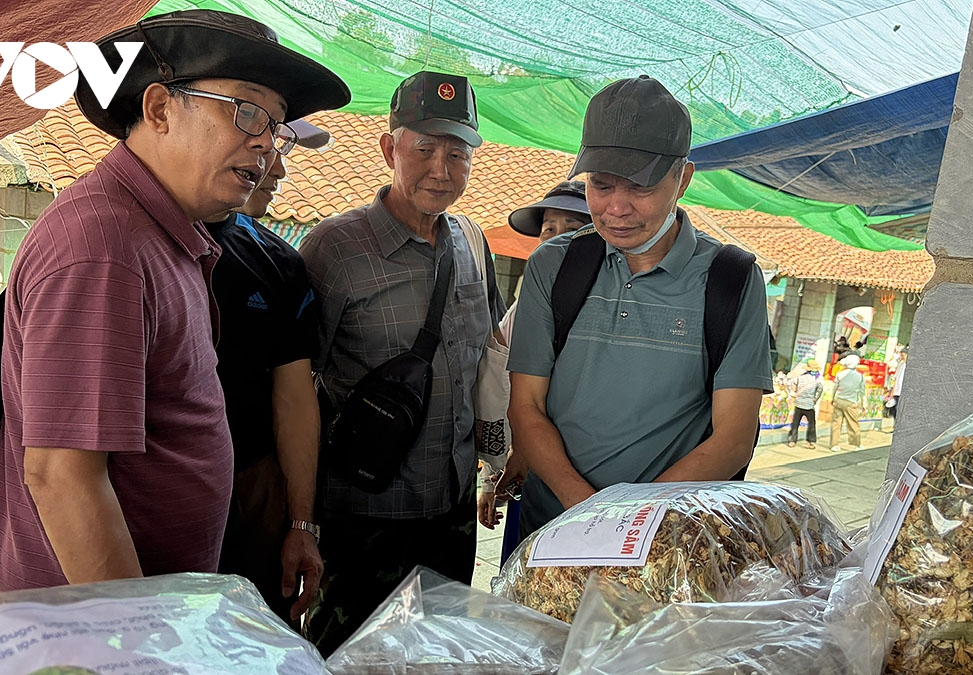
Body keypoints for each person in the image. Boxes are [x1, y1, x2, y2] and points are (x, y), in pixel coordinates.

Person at [0, 9, 350, 592]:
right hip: (100, 636)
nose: (266, 140)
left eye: (277, 125)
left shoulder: (170, 236)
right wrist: (136, 643)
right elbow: (63, 476)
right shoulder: (104, 246)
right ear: (159, 108)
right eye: (247, 109)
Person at [507, 75, 773, 538]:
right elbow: (526, 405)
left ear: (682, 179)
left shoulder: (731, 279)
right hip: (550, 530)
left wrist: (629, 523)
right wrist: (585, 513)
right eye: (601, 185)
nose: (616, 207)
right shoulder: (555, 265)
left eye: (639, 187)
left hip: (664, 543)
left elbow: (732, 439)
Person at [300, 71, 504, 655]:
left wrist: (493, 460)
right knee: (347, 654)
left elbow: (485, 363)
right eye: (424, 149)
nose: (441, 170)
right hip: (365, 514)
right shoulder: (334, 249)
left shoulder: (471, 240)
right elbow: (293, 388)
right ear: (390, 148)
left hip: (452, 509)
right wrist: (300, 518)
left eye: (457, 154)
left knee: (438, 653)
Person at [203, 118, 331, 628]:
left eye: (281, 148)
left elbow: (296, 400)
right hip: (146, 500)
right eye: (262, 144)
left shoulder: (279, 262)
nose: (276, 168)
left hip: (253, 492)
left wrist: (301, 521)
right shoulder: (120, 240)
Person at [477, 180, 591, 563]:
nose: (557, 241)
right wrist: (495, 473)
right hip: (536, 486)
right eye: (549, 230)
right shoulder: (522, 310)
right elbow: (503, 394)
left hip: (597, 493)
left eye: (573, 230)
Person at [829, 353, 867, 452]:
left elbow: (835, 388)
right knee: (853, 424)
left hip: (839, 400)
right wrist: (864, 405)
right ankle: (856, 444)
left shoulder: (840, 374)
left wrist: (832, 398)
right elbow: (862, 392)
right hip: (851, 402)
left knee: (836, 424)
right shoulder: (860, 377)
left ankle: (834, 444)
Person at [786, 359, 823, 449]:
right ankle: (810, 442)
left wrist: (792, 392)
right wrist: (816, 399)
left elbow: (789, 383)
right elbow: (820, 389)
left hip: (798, 403)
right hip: (809, 405)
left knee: (795, 423)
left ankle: (792, 440)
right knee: (811, 424)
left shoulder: (800, 377)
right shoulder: (817, 379)